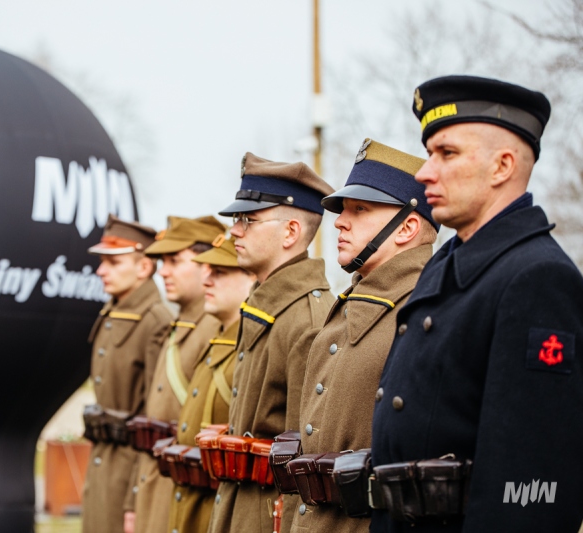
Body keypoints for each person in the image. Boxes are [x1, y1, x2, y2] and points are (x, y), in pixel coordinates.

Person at [370, 75, 583, 532]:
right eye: (429, 154)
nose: (425, 172)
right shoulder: (447, 264)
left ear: (502, 166)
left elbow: (534, 486)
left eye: (446, 154)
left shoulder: (537, 278)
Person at [286, 139, 438, 533]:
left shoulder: (429, 310)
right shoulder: (349, 305)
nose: (339, 221)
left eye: (360, 209)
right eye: (343, 209)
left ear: (406, 227)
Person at [207, 152, 336, 533]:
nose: (234, 230)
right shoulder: (268, 306)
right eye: (236, 219)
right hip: (240, 510)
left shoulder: (308, 321)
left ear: (291, 232)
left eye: (248, 219)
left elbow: (305, 462)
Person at [127, 216, 225, 533]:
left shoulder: (217, 329)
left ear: (208, 263)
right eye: (162, 261)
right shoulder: (179, 324)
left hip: (186, 490)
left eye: (174, 260)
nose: (163, 271)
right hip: (155, 485)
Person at [81, 214, 173, 533]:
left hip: (129, 470)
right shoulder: (113, 312)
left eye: (113, 262)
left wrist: (135, 498)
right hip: (103, 461)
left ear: (144, 267)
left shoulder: (156, 320)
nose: (100, 270)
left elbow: (155, 417)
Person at [166, 234, 256, 533]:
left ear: (251, 278)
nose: (207, 281)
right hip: (192, 506)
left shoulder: (248, 349)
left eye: (220, 273)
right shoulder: (218, 340)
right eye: (206, 272)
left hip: (220, 510)